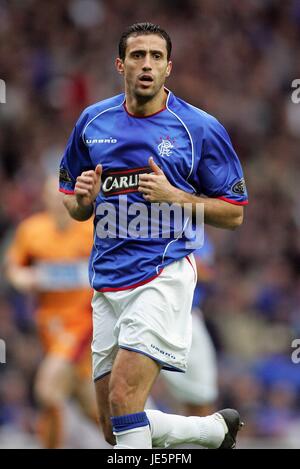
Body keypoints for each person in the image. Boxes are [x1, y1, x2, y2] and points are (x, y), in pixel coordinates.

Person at [59, 22, 248, 449]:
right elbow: (72, 201)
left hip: (161, 276)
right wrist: (83, 201)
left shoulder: (198, 129)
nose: (147, 65)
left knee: (125, 398)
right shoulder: (92, 122)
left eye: (156, 57)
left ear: (168, 69)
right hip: (106, 283)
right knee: (112, 427)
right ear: (120, 65)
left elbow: (234, 213)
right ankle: (212, 432)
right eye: (139, 56)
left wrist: (176, 196)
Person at [5, 177, 97, 448]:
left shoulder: (90, 229)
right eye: (51, 196)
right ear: (43, 199)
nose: (58, 201)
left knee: (47, 390)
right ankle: (146, 441)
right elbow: (14, 268)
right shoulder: (31, 230)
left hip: (82, 323)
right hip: (49, 326)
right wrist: (23, 278)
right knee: (92, 408)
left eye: (63, 196)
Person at [160, 234, 218, 417]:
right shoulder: (139, 224)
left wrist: (164, 265)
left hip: (187, 317)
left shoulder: (192, 230)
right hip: (146, 312)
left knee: (201, 397)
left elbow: (205, 272)